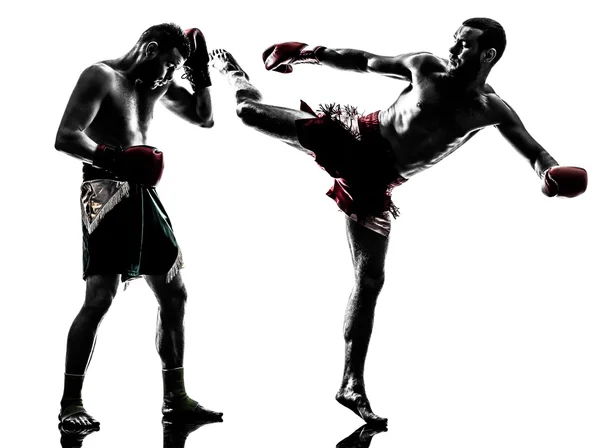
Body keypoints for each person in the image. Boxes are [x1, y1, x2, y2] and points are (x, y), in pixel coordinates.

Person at [208, 17, 588, 425]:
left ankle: (350, 385)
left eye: (465, 46)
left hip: (377, 185)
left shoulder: (489, 109)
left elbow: (535, 153)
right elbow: (364, 61)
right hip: (354, 142)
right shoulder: (425, 67)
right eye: (455, 41)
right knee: (248, 111)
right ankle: (229, 71)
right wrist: (309, 53)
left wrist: (549, 177)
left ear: (488, 55)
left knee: (370, 281)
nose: (454, 50)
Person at [55, 23, 223, 430]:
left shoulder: (157, 87)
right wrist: (116, 158)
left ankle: (176, 398)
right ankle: (70, 404)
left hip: (144, 191)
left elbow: (205, 119)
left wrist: (199, 75)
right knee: (100, 297)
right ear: (149, 49)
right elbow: (66, 136)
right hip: (106, 188)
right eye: (169, 63)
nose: (169, 74)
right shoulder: (101, 76)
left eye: (176, 69)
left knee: (175, 291)